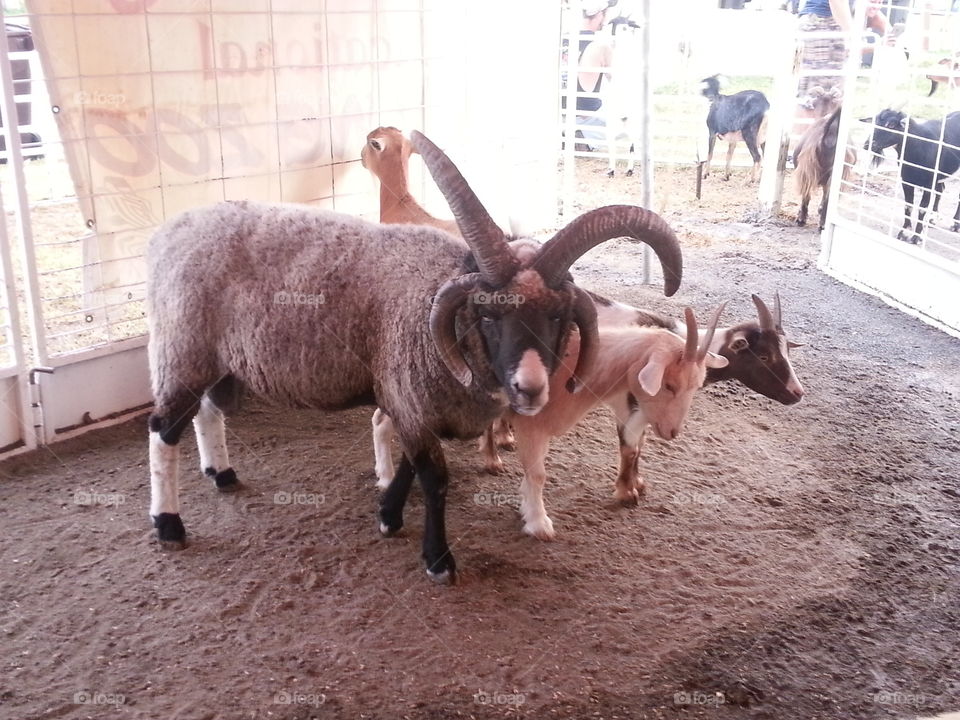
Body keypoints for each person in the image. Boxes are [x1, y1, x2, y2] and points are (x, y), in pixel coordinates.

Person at [561, 0, 617, 151]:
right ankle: (584, 137)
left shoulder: (562, 41)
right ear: (600, 14)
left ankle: (568, 133)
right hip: (586, 116)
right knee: (627, 116)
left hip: (560, 110)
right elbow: (618, 81)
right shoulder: (601, 45)